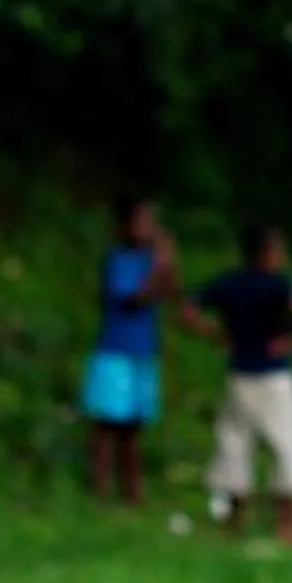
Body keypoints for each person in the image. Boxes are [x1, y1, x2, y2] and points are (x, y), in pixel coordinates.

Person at [181, 225, 292, 546]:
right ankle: (286, 526)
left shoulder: (230, 283)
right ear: (269, 252)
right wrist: (289, 338)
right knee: (285, 444)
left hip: (239, 372)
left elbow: (187, 309)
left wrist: (214, 333)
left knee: (234, 443)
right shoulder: (279, 285)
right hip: (274, 375)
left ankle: (234, 521)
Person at [82, 197, 177, 507]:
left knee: (134, 428)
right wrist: (159, 267)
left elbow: (170, 292)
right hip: (114, 351)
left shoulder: (152, 261)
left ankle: (132, 493)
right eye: (142, 222)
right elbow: (134, 299)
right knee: (106, 425)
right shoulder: (117, 260)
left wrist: (168, 263)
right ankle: (99, 489)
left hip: (143, 352)